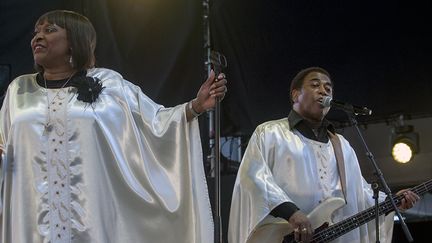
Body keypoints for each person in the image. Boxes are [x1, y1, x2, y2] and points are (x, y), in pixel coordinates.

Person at [0, 10, 227, 243]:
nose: (37, 37)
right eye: (36, 31)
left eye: (49, 30)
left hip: (91, 222)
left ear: (75, 41)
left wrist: (196, 106)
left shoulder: (108, 84)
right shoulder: (19, 90)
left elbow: (154, 123)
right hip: (31, 220)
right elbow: (3, 144)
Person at [228, 67, 419, 243]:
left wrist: (391, 202)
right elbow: (254, 177)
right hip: (284, 236)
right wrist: (292, 213)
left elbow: (362, 195)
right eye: (315, 85)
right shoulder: (270, 133)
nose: (323, 90)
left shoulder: (342, 146)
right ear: (296, 95)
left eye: (328, 87)